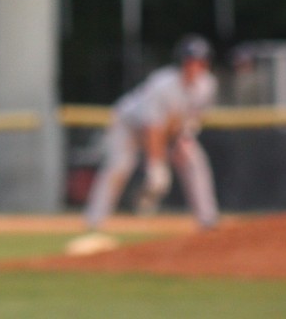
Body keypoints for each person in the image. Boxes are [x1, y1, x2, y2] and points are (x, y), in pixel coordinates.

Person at [67, 34, 218, 255]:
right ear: (181, 62)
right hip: (128, 126)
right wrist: (156, 166)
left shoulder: (207, 85)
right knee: (119, 166)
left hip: (170, 131)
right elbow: (152, 128)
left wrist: (181, 140)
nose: (195, 66)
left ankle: (208, 220)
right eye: (190, 60)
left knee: (195, 161)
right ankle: (94, 221)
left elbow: (192, 118)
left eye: (200, 61)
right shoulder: (162, 84)